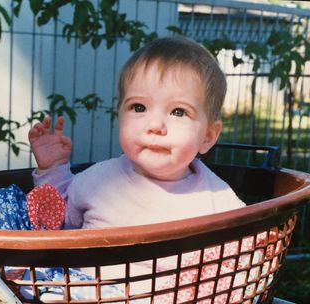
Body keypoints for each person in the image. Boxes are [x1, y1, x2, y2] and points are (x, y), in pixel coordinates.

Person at [28, 36, 245, 229]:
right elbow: (56, 221)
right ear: (119, 116)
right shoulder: (100, 181)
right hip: (92, 276)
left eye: (179, 112)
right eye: (139, 108)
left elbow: (245, 249)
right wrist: (52, 169)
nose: (155, 125)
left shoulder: (217, 198)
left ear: (207, 136)